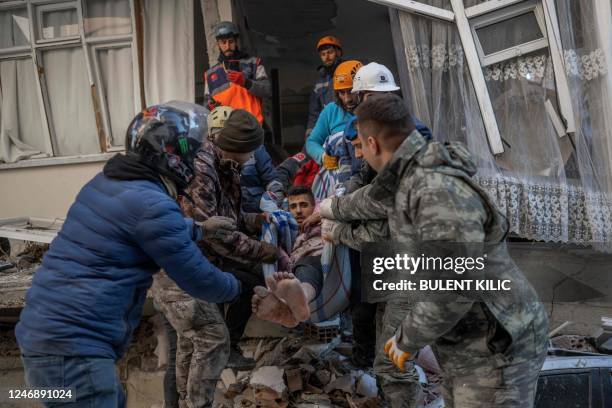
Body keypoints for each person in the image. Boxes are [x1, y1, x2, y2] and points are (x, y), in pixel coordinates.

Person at [322, 93, 549, 407]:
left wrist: (406, 339)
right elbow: (374, 206)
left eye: (360, 145)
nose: (359, 155)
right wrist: (333, 214)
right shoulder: (410, 179)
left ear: (373, 144)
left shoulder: (435, 190)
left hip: (495, 346)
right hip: (469, 339)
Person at [15, 102, 241, 407]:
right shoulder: (152, 204)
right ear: (173, 156)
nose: (196, 158)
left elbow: (141, 227)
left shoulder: (107, 183)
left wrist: (201, 229)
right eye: (192, 151)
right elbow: (200, 280)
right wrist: (240, 287)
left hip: (45, 340)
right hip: (73, 352)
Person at [251, 186, 325, 326]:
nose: (298, 211)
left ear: (314, 205)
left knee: (306, 267)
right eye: (293, 206)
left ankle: (301, 295)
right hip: (297, 264)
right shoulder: (289, 227)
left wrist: (323, 213)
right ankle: (286, 311)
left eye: (303, 205)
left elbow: (339, 202)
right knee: (294, 274)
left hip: (321, 257)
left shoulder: (323, 213)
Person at [207, 106, 284, 213]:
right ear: (210, 136)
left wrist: (274, 207)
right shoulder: (208, 159)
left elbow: (272, 180)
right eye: (217, 132)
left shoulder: (254, 147)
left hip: (259, 213)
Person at [204, 21, 271, 125]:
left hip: (251, 127)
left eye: (231, 41)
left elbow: (267, 90)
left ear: (236, 42)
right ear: (218, 45)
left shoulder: (254, 63)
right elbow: (206, 106)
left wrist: (246, 82)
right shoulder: (210, 74)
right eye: (223, 42)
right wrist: (210, 106)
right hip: (225, 130)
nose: (227, 46)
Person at [305, 60, 362, 169]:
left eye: (351, 91)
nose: (347, 99)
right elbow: (311, 142)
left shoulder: (372, 109)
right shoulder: (330, 111)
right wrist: (322, 156)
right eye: (342, 93)